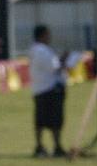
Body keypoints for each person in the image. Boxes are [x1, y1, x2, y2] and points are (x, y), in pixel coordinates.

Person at [29, 25, 72, 158]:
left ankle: (42, 146)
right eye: (47, 34)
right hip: (48, 89)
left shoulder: (36, 50)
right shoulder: (42, 50)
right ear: (42, 35)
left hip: (40, 88)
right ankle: (54, 146)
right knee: (54, 120)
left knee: (41, 120)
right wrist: (65, 59)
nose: (49, 37)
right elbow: (55, 67)